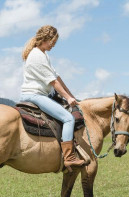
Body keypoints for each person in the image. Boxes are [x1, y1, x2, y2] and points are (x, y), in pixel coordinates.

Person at [20, 25, 84, 171]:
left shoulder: (43, 54)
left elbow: (57, 77)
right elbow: (53, 82)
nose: (53, 45)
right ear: (45, 39)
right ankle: (69, 158)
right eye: (52, 42)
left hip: (40, 94)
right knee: (68, 118)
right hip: (35, 95)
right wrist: (67, 98)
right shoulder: (37, 55)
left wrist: (71, 96)